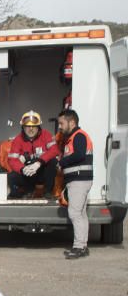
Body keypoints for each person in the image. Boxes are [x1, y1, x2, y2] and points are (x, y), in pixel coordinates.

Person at [57, 109, 93, 259]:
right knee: (81, 214)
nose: (59, 126)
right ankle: (83, 246)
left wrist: (62, 162)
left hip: (79, 181)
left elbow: (79, 155)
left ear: (72, 122)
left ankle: (79, 247)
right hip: (79, 180)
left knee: (74, 213)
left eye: (61, 123)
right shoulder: (73, 137)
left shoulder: (78, 136)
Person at [6, 110, 60, 199]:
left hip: (42, 170)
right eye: (28, 126)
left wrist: (39, 162)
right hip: (28, 172)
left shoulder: (46, 134)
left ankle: (47, 192)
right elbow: (12, 160)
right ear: (23, 127)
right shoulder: (18, 140)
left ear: (38, 127)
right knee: (12, 176)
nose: (31, 129)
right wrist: (22, 168)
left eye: (34, 126)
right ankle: (27, 192)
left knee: (53, 161)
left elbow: (54, 150)